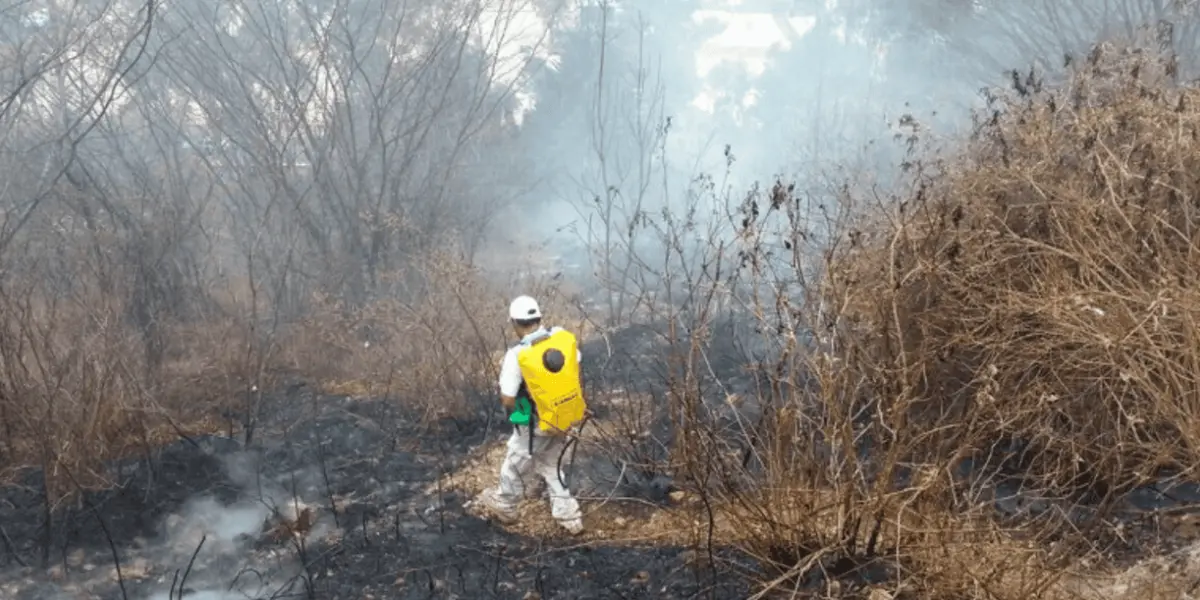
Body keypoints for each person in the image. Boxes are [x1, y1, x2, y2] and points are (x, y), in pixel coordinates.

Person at [479, 295, 587, 535]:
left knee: (516, 461)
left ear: (515, 323)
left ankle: (506, 504)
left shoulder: (518, 355)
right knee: (551, 463)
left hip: (537, 420)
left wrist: (520, 421)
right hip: (564, 414)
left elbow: (508, 398)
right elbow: (576, 366)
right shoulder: (561, 337)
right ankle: (570, 517)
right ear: (539, 318)